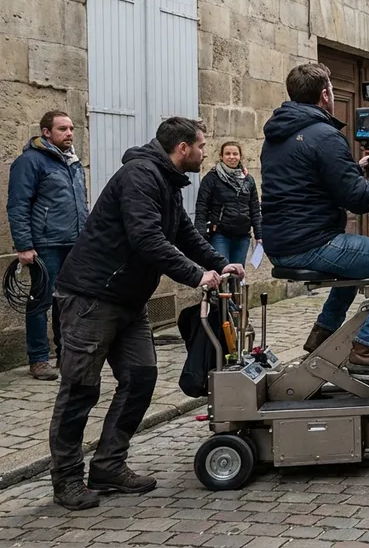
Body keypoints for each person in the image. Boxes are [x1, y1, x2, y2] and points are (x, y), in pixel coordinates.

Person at [49, 117, 240, 511]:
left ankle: (108, 465)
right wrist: (196, 276)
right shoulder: (140, 176)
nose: (205, 153)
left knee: (140, 378)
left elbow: (184, 234)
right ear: (183, 148)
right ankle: (66, 479)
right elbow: (146, 238)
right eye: (201, 146)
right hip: (91, 297)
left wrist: (221, 264)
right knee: (80, 389)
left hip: (129, 301)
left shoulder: (168, 182)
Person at [260, 63, 369, 375]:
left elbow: (305, 182)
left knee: (355, 264)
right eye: (332, 91)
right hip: (310, 243)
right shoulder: (325, 135)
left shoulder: (278, 135)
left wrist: (350, 169)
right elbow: (358, 200)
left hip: (282, 242)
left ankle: (323, 332)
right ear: (325, 95)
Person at [6, 111, 89, 381]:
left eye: (71, 128)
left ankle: (66, 353)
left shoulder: (72, 162)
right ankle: (39, 359)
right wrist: (24, 246)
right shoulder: (30, 161)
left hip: (73, 244)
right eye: (62, 129)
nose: (69, 133)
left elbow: (81, 204)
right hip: (45, 244)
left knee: (68, 301)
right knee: (40, 301)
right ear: (46, 132)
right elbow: (18, 205)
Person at [194, 141, 263, 267]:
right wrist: (200, 233)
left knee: (238, 272)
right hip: (220, 235)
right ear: (221, 156)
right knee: (223, 270)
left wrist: (259, 234)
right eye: (227, 154)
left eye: (235, 154)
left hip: (242, 235)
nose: (232, 157)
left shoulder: (248, 179)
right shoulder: (211, 178)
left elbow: (254, 209)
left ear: (240, 156)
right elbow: (201, 207)